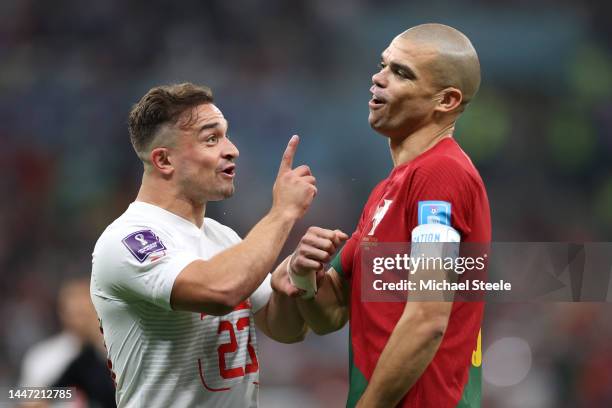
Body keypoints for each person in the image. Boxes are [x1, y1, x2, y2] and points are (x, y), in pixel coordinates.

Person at [278, 23, 491, 407]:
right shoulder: (387, 191)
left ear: (445, 101)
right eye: (383, 65)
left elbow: (427, 317)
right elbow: (330, 315)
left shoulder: (442, 174)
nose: (377, 79)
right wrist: (304, 274)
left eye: (401, 73)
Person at [90, 83, 338, 408]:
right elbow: (220, 291)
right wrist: (282, 212)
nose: (232, 149)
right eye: (211, 139)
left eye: (226, 135)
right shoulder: (129, 239)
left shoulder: (222, 237)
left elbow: (287, 329)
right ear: (164, 160)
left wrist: (299, 277)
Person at [19, 278, 116, 407]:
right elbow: (28, 401)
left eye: (86, 312)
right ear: (63, 313)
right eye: (76, 313)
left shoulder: (116, 353)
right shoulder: (43, 357)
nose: (81, 321)